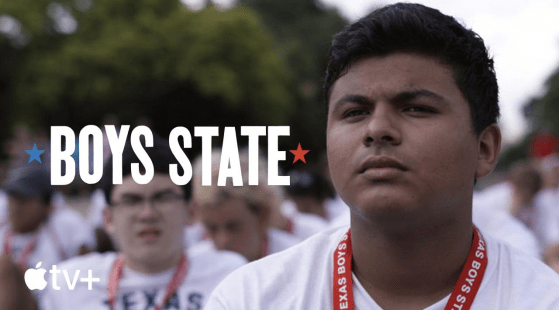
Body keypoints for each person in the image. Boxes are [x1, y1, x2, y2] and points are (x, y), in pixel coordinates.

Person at [204, 3, 559, 309]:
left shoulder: (542, 300)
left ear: (485, 149)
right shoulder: (250, 298)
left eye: (416, 108)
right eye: (355, 112)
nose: (377, 129)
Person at [41, 134, 246, 310]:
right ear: (108, 218)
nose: (147, 214)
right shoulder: (69, 283)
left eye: (163, 197)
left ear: (191, 212)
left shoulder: (230, 275)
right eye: (131, 200)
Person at [192, 149, 300, 262]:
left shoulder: (295, 259)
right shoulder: (195, 264)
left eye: (233, 227)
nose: (222, 241)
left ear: (263, 215)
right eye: (211, 228)